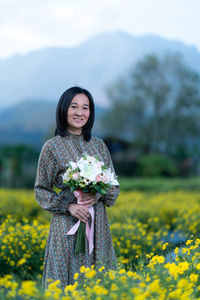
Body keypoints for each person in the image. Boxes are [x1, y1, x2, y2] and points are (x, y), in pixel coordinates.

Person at [34, 86, 120, 290]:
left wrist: (98, 194)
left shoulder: (99, 145)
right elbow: (41, 190)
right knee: (65, 285)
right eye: (74, 107)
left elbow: (114, 187)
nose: (80, 113)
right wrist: (69, 206)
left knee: (98, 284)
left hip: (97, 225)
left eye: (85, 108)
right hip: (66, 226)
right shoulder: (52, 147)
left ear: (90, 113)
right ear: (64, 109)